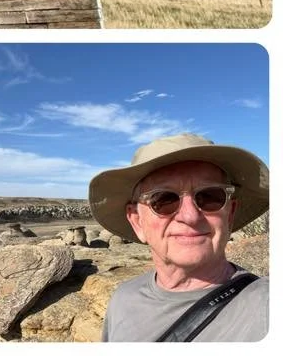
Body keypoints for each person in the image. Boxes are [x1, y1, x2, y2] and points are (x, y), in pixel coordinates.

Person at [89, 133, 268, 342]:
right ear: (137, 221)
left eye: (210, 197)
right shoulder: (122, 300)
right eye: (164, 199)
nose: (190, 216)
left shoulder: (266, 309)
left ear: (230, 214)